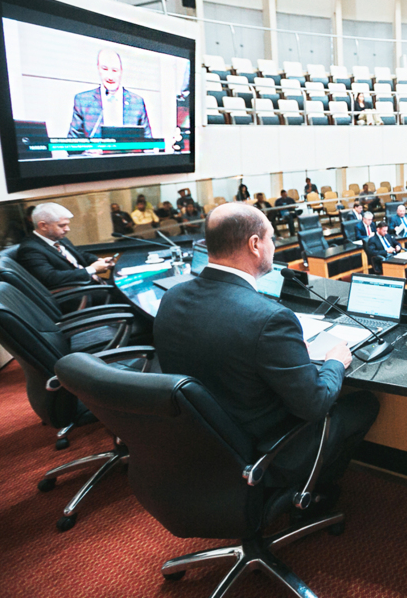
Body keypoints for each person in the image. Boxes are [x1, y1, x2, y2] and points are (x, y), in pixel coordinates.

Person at [154, 203, 379, 497]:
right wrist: (334, 362)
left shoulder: (172, 297)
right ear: (255, 244)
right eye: (271, 238)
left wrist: (286, 350)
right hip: (265, 449)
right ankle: (316, 490)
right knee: (365, 404)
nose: (274, 246)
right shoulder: (269, 318)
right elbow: (315, 404)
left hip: (204, 442)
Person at [17, 202, 113, 289]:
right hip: (79, 295)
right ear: (43, 226)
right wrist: (92, 269)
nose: (67, 229)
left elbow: (81, 255)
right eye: (62, 225)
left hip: (91, 283)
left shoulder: (58, 238)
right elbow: (51, 278)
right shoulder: (30, 249)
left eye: (67, 225)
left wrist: (99, 261)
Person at [68, 49, 152, 139]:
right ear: (98, 68)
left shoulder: (137, 102)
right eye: (105, 69)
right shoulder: (82, 100)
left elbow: (149, 143)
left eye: (115, 70)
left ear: (121, 71)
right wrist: (89, 149)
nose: (110, 77)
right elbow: (72, 144)